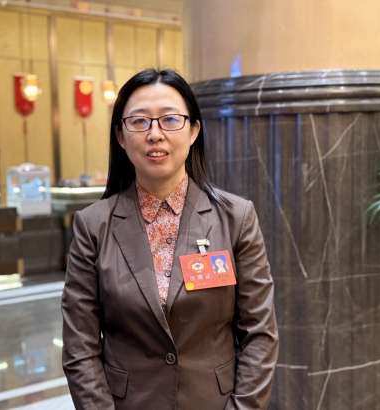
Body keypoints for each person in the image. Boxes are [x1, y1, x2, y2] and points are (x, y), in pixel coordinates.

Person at [62, 68, 278, 410]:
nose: (155, 134)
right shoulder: (93, 226)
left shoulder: (236, 218)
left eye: (170, 119)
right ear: (121, 136)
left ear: (193, 131)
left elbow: (259, 333)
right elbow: (80, 348)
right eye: (139, 121)